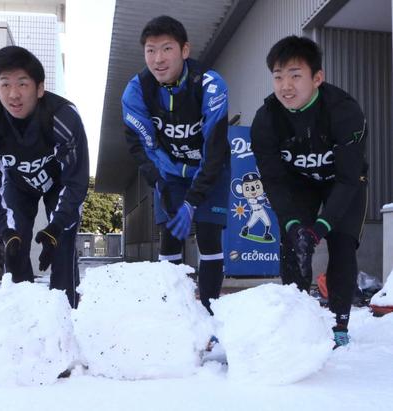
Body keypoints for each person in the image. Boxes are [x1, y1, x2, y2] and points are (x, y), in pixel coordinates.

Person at [251, 35, 368, 347]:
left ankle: (339, 324)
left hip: (341, 181)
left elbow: (347, 179)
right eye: (278, 77)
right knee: (292, 242)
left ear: (317, 77)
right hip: (297, 182)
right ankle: (296, 321)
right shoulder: (265, 120)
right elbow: (274, 180)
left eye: (295, 75)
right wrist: (294, 225)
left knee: (342, 243)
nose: (285, 86)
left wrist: (320, 228)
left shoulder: (344, 112)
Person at [0, 46, 89, 308]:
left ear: (39, 88)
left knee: (63, 244)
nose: (14, 94)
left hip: (59, 183)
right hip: (17, 185)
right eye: (5, 84)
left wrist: (55, 227)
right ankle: (22, 317)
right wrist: (4, 228)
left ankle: (65, 316)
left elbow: (76, 181)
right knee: (15, 244)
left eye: (22, 84)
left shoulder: (63, 117)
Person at [122, 15, 230, 316]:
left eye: (167, 49)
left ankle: (210, 318)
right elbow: (140, 146)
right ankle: (172, 318)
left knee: (208, 238)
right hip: (168, 174)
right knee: (170, 240)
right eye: (150, 50)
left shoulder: (209, 84)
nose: (158, 59)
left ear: (185, 50)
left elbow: (216, 147)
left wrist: (194, 201)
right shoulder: (136, 90)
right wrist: (159, 183)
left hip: (210, 170)